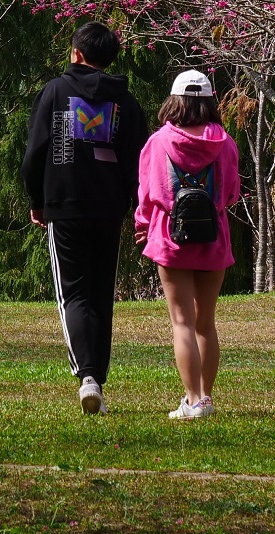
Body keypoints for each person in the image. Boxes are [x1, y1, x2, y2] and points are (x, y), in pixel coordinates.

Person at [21, 21, 149, 414]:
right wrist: (139, 208)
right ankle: (98, 377)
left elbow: (35, 153)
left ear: (76, 53)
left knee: (72, 294)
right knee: (99, 294)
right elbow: (137, 162)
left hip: (65, 205)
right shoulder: (125, 101)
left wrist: (37, 201)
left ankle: (88, 377)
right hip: (109, 208)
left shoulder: (55, 92)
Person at [135, 69, 241, 420]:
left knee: (182, 321)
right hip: (213, 239)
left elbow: (148, 195)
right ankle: (206, 398)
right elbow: (231, 194)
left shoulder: (158, 142)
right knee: (205, 323)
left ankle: (192, 400)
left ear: (174, 101)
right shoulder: (225, 143)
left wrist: (143, 225)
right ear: (210, 101)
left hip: (170, 238)